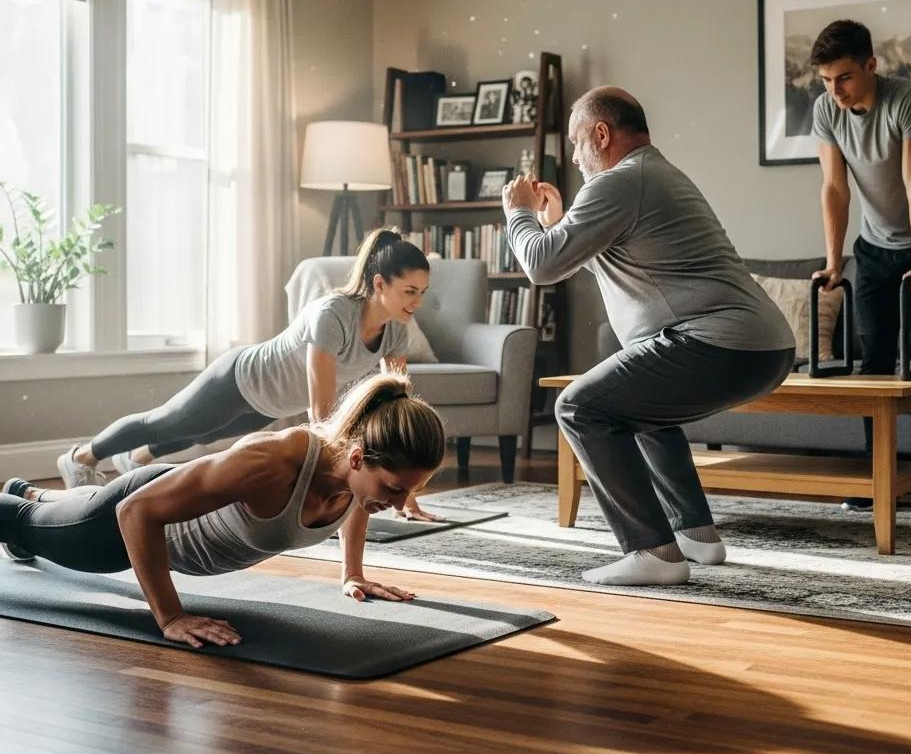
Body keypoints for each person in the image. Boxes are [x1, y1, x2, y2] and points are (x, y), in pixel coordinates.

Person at [502, 86, 795, 587]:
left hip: (717, 341)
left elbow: (541, 265)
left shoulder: (619, 182)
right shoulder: (653, 174)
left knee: (579, 408)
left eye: (576, 143)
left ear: (601, 133)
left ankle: (652, 552)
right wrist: (558, 224)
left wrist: (519, 212)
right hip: (762, 347)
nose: (573, 157)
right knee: (639, 409)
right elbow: (616, 263)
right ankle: (696, 536)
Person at [0, 371, 446, 647]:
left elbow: (361, 501)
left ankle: (32, 491)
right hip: (126, 529)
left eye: (407, 492)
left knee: (68, 507)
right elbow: (135, 512)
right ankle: (26, 506)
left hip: (177, 491)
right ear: (357, 457)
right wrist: (171, 617)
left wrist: (351, 573)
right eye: (392, 490)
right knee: (23, 526)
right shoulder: (271, 462)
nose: (397, 504)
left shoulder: (356, 478)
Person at [56, 227, 443, 521]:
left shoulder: (396, 328)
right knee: (166, 423)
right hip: (240, 380)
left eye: (422, 292)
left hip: (270, 402)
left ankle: (135, 460)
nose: (417, 302)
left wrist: (405, 490)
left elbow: (396, 403)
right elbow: (320, 409)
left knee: (201, 434)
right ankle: (80, 457)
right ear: (379, 284)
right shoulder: (332, 314)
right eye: (410, 291)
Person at [808, 20, 911, 515]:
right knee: (873, 361)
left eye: (845, 77)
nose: (835, 90)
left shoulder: (908, 101)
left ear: (871, 66)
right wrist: (835, 263)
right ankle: (879, 477)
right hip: (873, 246)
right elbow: (835, 188)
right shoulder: (826, 111)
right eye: (827, 80)